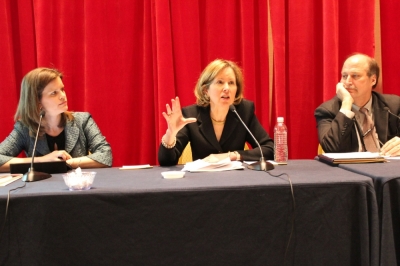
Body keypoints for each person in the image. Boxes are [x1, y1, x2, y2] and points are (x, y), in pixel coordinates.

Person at [158, 59, 274, 166]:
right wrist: (170, 134)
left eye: (231, 83)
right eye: (220, 82)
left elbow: (269, 149)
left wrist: (232, 155)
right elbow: (166, 161)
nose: (226, 88)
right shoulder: (190, 115)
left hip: (236, 181)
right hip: (204, 183)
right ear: (206, 90)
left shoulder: (243, 111)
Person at [0, 67, 112, 172]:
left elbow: (105, 155)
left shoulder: (83, 120)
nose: (63, 96)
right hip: (42, 191)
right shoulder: (25, 128)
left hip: (77, 189)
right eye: (54, 93)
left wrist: (67, 163)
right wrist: (42, 160)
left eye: (62, 89)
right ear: (38, 102)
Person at [314, 53, 400, 155]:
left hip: (388, 168)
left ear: (373, 79)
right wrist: (346, 104)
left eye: (355, 76)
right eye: (344, 76)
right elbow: (332, 149)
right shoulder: (327, 110)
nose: (348, 82)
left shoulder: (394, 105)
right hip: (349, 170)